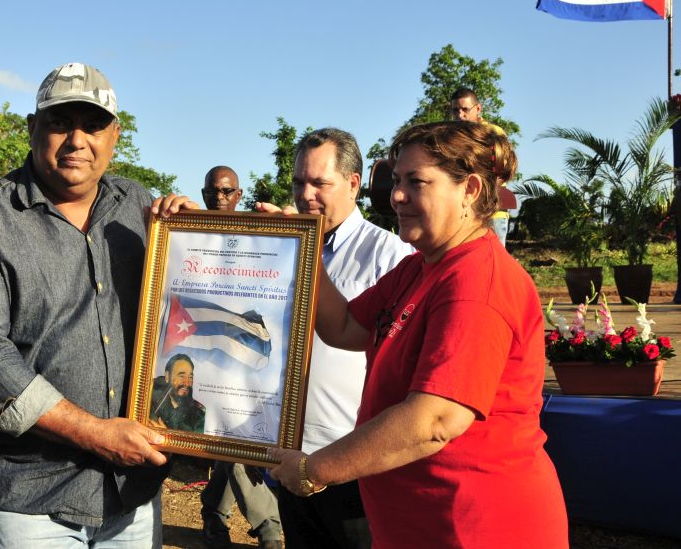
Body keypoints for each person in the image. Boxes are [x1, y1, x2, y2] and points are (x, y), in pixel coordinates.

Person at [268, 121, 568, 548]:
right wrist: (301, 244)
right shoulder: (422, 267)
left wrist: (313, 470)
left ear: (470, 190)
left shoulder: (477, 282)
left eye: (416, 181)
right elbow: (345, 327)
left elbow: (435, 420)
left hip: (473, 526)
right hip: (419, 523)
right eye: (396, 180)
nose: (397, 195)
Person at [0, 62, 192, 548]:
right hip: (29, 493)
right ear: (33, 129)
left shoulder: (137, 206)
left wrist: (201, 242)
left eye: (93, 125)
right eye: (59, 123)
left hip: (129, 493)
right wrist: (96, 434)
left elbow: (177, 314)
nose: (77, 140)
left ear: (115, 136)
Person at [276, 128, 413, 549]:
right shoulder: (279, 245)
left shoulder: (390, 256)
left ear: (353, 184)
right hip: (289, 455)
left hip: (352, 463)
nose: (306, 194)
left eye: (320, 183)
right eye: (300, 182)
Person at [198, 165, 284, 549]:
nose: (219, 197)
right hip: (206, 359)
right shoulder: (188, 233)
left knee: (235, 442)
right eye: (213, 191)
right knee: (230, 442)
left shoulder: (261, 239)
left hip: (248, 361)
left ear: (239, 194)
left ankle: (216, 517)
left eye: (227, 190)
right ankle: (264, 525)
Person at [449, 87, 513, 246]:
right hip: (464, 209)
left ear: (478, 108)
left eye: (465, 109)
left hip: (492, 209)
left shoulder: (492, 133)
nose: (460, 115)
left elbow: (503, 169)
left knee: (495, 261)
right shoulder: (451, 137)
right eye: (455, 110)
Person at [150, 353, 205, 432]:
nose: (187, 383)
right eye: (181, 376)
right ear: (167, 376)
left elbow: (197, 443)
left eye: (190, 377)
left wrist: (167, 434)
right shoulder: (150, 396)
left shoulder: (198, 415)